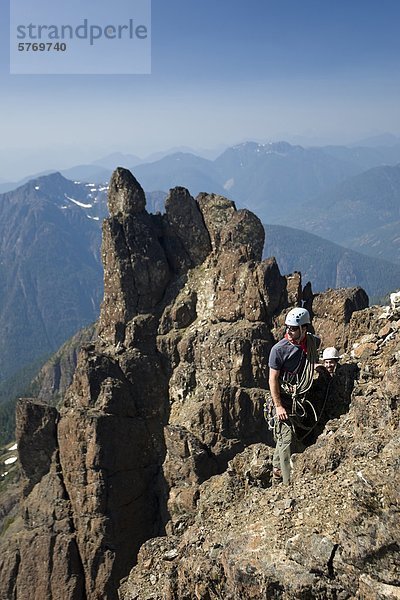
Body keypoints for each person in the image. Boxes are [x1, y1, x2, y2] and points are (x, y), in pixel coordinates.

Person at [268, 307, 320, 485]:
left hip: (298, 399)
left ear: (304, 329)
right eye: (287, 328)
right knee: (287, 437)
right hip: (283, 398)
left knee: (287, 436)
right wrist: (278, 406)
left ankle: (276, 468)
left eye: (293, 328)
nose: (288, 332)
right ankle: (287, 481)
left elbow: (314, 352)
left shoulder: (312, 342)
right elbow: (273, 379)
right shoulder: (279, 350)